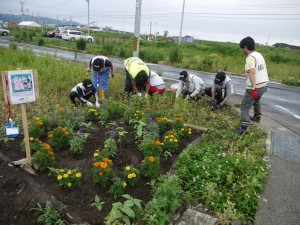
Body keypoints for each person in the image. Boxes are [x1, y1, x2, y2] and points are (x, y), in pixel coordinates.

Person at [235, 36, 269, 135]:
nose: (242, 50)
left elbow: (252, 73)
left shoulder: (250, 58)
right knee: (256, 100)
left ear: (246, 47)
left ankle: (243, 129)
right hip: (264, 85)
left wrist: (253, 88)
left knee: (244, 107)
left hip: (255, 87)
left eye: (242, 48)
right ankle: (257, 117)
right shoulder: (258, 54)